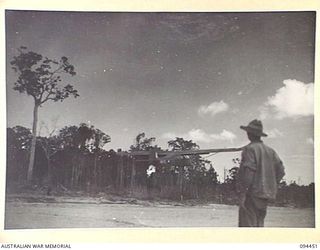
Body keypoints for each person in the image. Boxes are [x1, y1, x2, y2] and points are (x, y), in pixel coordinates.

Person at [237, 119, 285, 227]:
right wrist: (270, 184)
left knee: (248, 229)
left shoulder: (250, 149)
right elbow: (281, 171)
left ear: (249, 134)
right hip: (264, 196)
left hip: (252, 194)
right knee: (259, 226)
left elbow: (249, 172)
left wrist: (243, 193)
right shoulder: (270, 151)